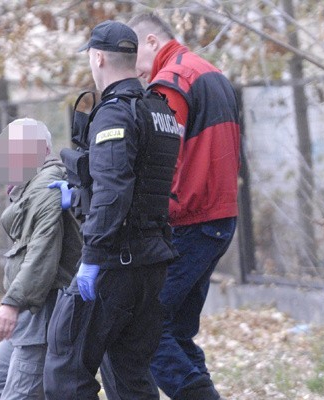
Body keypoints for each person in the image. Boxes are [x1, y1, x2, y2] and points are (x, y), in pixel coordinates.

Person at [100, 13, 241, 400]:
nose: (135, 67)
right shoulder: (210, 72)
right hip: (219, 218)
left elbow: (163, 156)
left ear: (150, 40)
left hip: (191, 217)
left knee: (148, 327)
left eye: (135, 52)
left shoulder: (173, 81)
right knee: (176, 330)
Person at [43, 20, 180, 400]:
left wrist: (91, 258)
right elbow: (139, 182)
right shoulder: (159, 110)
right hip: (151, 262)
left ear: (98, 57)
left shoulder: (116, 113)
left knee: (65, 370)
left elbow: (115, 191)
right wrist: (79, 193)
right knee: (130, 376)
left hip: (113, 263)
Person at [0, 118, 81, 400]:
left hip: (43, 314)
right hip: (31, 314)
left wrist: (10, 304)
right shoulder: (28, 189)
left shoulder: (46, 188)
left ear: (42, 149)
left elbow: (41, 253)